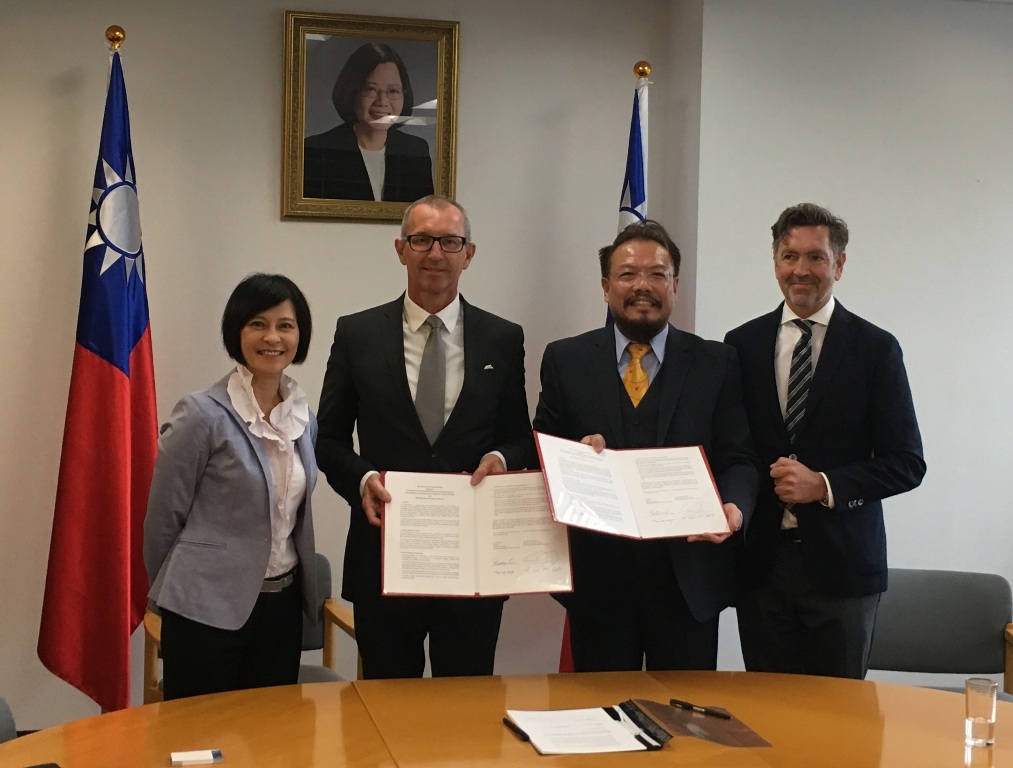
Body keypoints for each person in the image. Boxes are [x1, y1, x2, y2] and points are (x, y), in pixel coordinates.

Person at [316, 194, 536, 679]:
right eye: (421, 240)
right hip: (385, 556)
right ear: (400, 249)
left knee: (466, 718)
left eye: (450, 241)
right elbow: (326, 441)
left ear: (469, 253)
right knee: (384, 714)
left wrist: (501, 456)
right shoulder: (357, 334)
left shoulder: (503, 337)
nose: (435, 253)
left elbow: (520, 436)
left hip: (473, 562)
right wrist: (362, 478)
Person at [532, 219, 758, 672]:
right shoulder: (565, 360)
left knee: (684, 725)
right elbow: (541, 455)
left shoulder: (718, 362)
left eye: (657, 274)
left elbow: (739, 457)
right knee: (601, 724)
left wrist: (734, 508)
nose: (643, 286)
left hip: (688, 585)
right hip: (597, 585)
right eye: (628, 274)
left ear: (675, 285)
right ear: (605, 287)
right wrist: (575, 456)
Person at [725, 202, 926, 679]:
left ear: (839, 264)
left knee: (840, 727)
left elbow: (908, 462)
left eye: (816, 257)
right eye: (790, 256)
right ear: (775, 262)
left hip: (844, 572)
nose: (801, 270)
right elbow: (730, 447)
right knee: (768, 721)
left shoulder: (876, 349)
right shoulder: (740, 344)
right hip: (760, 571)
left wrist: (826, 485)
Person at [143, 273, 318, 700]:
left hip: (282, 607)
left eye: (285, 325)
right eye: (257, 323)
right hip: (206, 608)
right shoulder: (201, 414)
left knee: (270, 743)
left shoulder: (303, 417)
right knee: (199, 741)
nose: (272, 337)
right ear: (236, 332)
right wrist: (178, 593)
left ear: (300, 336)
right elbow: (163, 519)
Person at [304, 42, 434, 202]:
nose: (382, 102)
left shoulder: (415, 150)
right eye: (370, 89)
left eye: (393, 91)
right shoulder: (316, 150)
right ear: (351, 92)